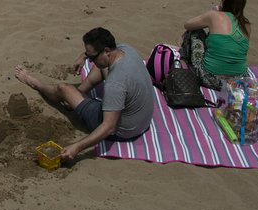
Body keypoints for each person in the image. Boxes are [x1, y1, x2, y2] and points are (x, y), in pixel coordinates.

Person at [13, 27, 154, 162]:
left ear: (106, 51)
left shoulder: (115, 83)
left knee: (63, 88)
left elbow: (109, 127)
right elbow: (102, 63)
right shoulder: (125, 50)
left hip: (125, 130)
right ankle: (77, 96)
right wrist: (84, 56)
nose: (90, 61)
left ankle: (35, 83)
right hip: (143, 119)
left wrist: (76, 147)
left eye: (92, 57)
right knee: (101, 67)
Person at [180, 0, 251, 89]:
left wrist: (214, 13)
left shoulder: (214, 16)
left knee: (195, 31)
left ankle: (185, 61)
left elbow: (187, 24)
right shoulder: (247, 25)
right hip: (238, 82)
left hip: (211, 78)